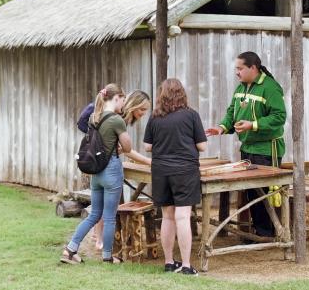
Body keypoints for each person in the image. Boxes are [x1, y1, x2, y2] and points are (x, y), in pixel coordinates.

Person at [205, 51, 286, 239]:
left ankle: (267, 234)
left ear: (253, 68)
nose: (237, 72)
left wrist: (254, 125)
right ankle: (258, 232)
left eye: (240, 68)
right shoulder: (241, 88)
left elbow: (279, 117)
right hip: (247, 148)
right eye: (236, 68)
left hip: (267, 150)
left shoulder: (270, 87)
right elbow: (232, 111)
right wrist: (222, 128)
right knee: (252, 193)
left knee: (265, 195)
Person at [143, 78, 206, 276]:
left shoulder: (155, 117)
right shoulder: (191, 115)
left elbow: (148, 147)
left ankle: (169, 262)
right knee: (183, 216)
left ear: (162, 95)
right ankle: (186, 265)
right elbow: (202, 146)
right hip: (185, 170)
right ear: (182, 94)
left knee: (168, 217)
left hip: (161, 170)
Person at [62, 84, 129, 264]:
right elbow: (128, 147)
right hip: (111, 170)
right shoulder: (116, 120)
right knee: (109, 217)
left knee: (94, 215)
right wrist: (120, 148)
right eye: (123, 100)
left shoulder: (93, 117)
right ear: (116, 98)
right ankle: (107, 256)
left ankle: (70, 249)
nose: (124, 104)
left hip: (96, 172)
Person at [88, 90, 153, 252]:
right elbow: (127, 149)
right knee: (107, 205)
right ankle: (100, 240)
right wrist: (148, 161)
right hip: (106, 165)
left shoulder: (120, 116)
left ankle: (98, 236)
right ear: (134, 105)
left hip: (99, 162)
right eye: (142, 110)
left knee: (103, 203)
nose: (143, 114)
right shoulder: (119, 118)